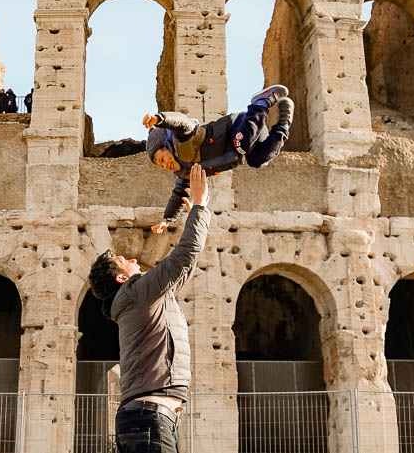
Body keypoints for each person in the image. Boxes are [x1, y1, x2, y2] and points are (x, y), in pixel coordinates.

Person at [87, 164, 210, 453]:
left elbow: (184, 267)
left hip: (149, 418)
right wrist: (201, 206)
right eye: (124, 260)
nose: (133, 260)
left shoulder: (143, 298)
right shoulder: (135, 292)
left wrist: (195, 213)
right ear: (121, 278)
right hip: (149, 418)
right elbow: (184, 257)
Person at [144, 84, 292, 233]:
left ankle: (261, 102)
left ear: (168, 146)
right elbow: (178, 195)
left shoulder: (184, 142)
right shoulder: (186, 174)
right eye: (161, 166)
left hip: (238, 126)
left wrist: (159, 119)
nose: (165, 166)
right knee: (259, 160)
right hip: (247, 140)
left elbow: (181, 123)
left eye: (163, 159)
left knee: (242, 144)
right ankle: (284, 123)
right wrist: (167, 219)